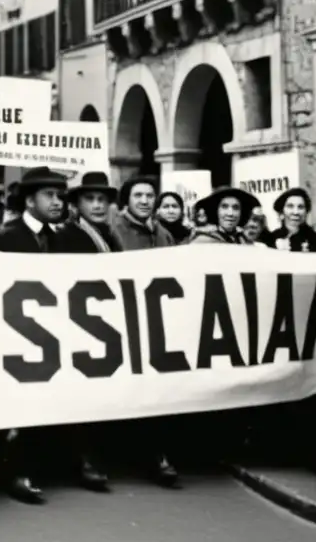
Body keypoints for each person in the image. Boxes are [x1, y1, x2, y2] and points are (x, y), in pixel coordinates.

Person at [0, 167, 69, 505]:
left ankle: (40, 465)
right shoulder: (5, 237)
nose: (57, 201)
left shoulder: (63, 237)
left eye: (59, 195)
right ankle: (14, 472)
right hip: (15, 333)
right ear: (29, 200)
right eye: (49, 195)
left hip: (53, 332)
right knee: (19, 410)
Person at [50, 171, 122, 492]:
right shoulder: (68, 235)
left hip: (104, 320)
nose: (97, 204)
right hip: (79, 320)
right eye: (90, 199)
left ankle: (95, 455)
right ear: (77, 204)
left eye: (102, 199)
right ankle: (84, 459)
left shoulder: (108, 235)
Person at [109, 175, 179, 485]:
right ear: (127, 199)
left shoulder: (162, 233)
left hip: (155, 319)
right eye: (138, 195)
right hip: (123, 318)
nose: (145, 201)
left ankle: (155, 457)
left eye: (150, 195)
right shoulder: (114, 230)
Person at [189, 187, 259, 244]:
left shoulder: (244, 241)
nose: (230, 213)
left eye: (236, 208)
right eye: (224, 207)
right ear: (216, 211)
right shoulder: (203, 242)